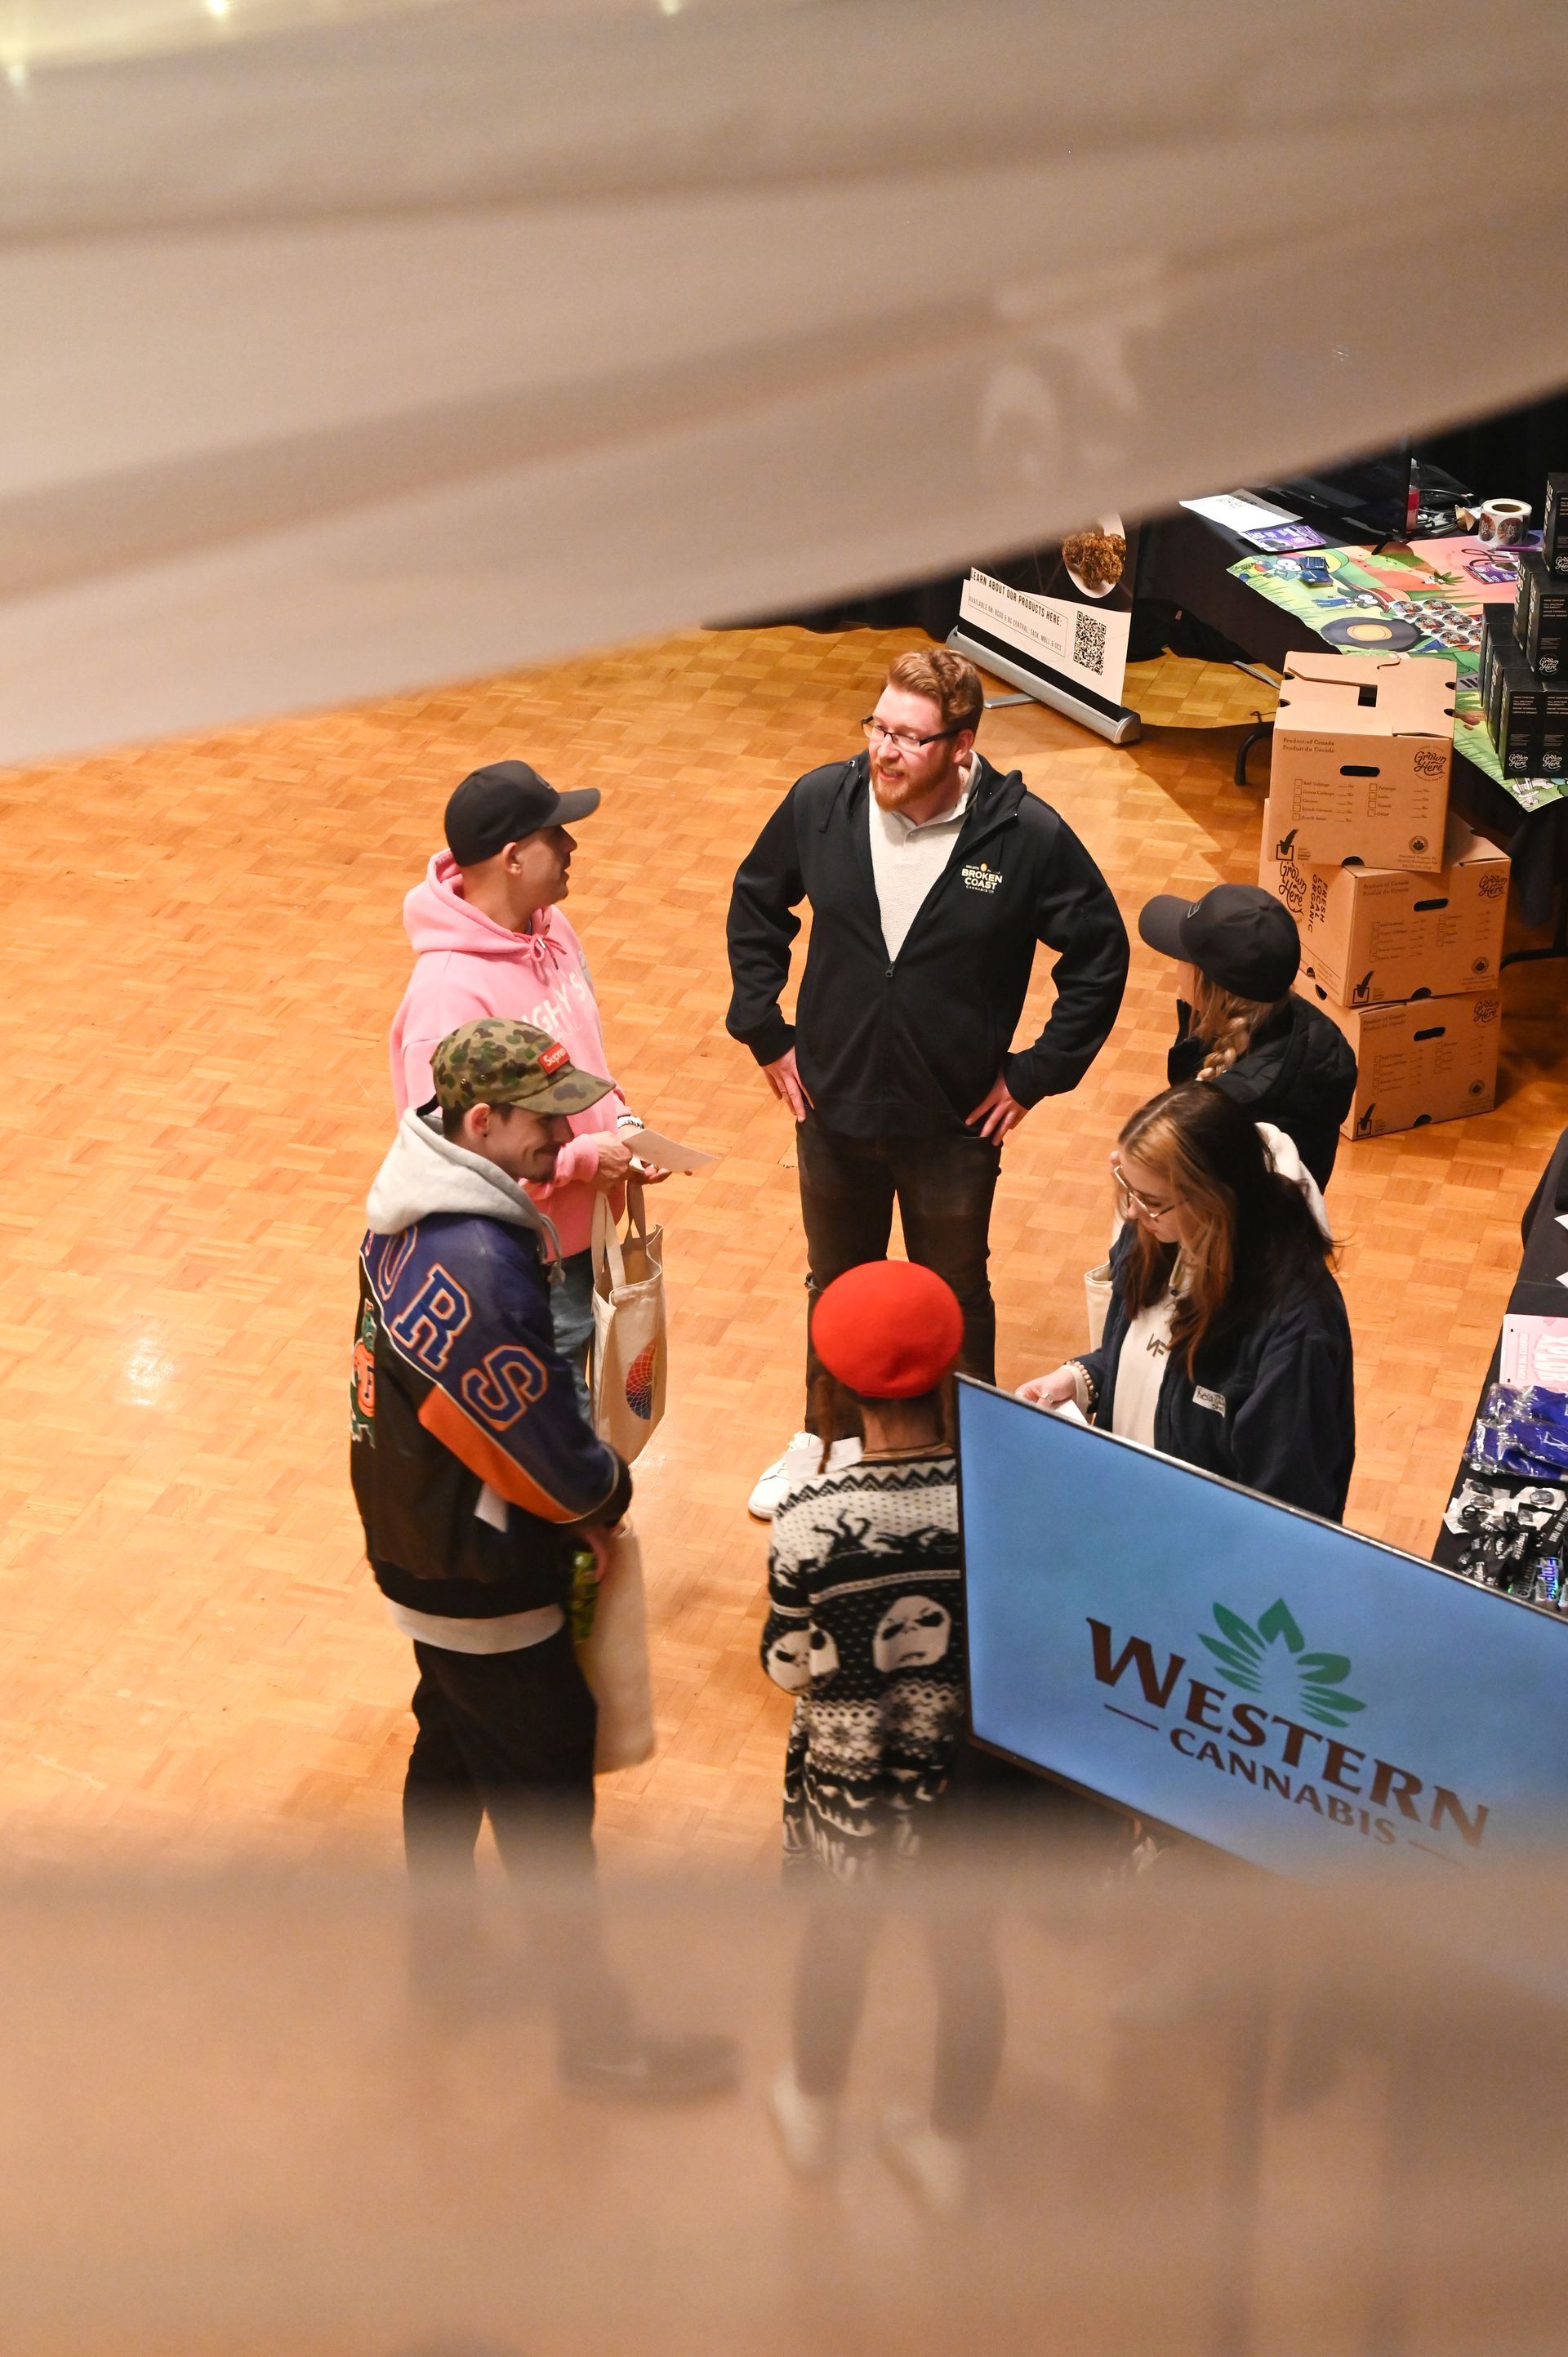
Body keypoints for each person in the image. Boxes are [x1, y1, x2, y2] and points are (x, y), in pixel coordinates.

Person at [353, 1015, 732, 2099]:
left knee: (449, 1746)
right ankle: (600, 2045)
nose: (561, 1138)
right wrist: (604, 1497)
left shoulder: (408, 1206)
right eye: (543, 1122)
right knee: (547, 1801)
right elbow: (546, 1457)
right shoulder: (475, 1262)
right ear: (481, 1119)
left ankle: (442, 1960)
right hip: (479, 1573)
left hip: (418, 1541)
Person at [727, 646, 1129, 1517]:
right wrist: (764, 1029)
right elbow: (758, 902)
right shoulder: (821, 804)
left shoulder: (1023, 837)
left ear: (962, 744)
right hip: (831, 1105)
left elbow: (1100, 955)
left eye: (909, 737)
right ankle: (826, 1439)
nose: (884, 750)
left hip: (954, 1124)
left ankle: (968, 1455)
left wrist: (1035, 1074)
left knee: (954, 1292)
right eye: (879, 727)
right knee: (836, 1283)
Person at [762, 1259, 1004, 2212]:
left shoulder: (807, 1522)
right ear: (951, 1372)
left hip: (851, 1785)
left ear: (833, 1385)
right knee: (968, 1961)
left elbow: (788, 1664)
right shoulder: (993, 1499)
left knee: (836, 1942)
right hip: (968, 1787)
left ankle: (812, 2109)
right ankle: (950, 2147)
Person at [389, 760, 665, 1412]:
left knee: (582, 1417)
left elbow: (582, 1051)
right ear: (513, 858)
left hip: (585, 1232)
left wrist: (620, 1123)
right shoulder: (447, 1000)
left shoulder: (553, 930)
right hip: (528, 1261)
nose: (572, 845)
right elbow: (451, 1164)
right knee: (548, 1427)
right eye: (555, 835)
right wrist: (580, 1160)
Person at [1018, 1083, 1355, 1521]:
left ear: (1214, 1197)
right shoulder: (1154, 1237)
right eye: (1128, 1189)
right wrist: (1083, 1379)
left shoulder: (1297, 1326)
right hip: (1130, 1517)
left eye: (1151, 1201)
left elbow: (1286, 1507)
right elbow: (1153, 1361)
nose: (1133, 1212)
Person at [1137, 882, 1356, 1191]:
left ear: (1209, 986)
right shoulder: (1307, 1028)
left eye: (1182, 959)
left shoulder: (1231, 1111)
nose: (1175, 967)